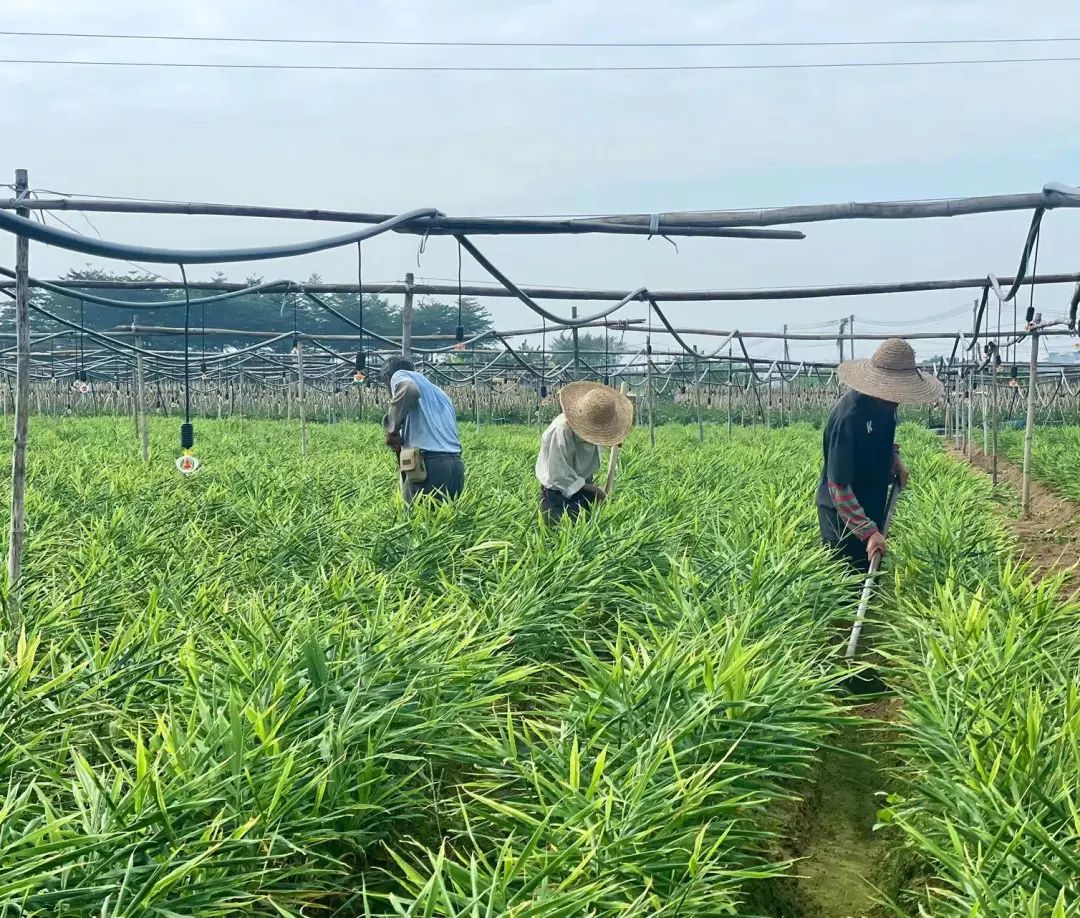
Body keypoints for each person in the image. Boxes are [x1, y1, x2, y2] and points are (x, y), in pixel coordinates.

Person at [816, 338, 943, 573]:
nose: (898, 398)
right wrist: (867, 531)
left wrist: (895, 460)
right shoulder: (849, 418)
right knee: (846, 588)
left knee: (870, 574)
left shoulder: (887, 407)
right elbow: (839, 486)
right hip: (842, 517)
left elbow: (882, 441)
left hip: (872, 501)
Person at [536, 381, 634, 524]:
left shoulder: (598, 423)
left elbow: (592, 442)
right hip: (558, 494)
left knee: (587, 532)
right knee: (560, 538)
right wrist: (595, 491)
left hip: (584, 485)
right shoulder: (561, 431)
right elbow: (558, 477)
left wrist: (611, 438)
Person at [382, 357, 464, 506]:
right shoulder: (438, 391)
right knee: (446, 525)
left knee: (417, 524)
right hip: (455, 465)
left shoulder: (399, 375)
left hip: (429, 465)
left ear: (387, 377)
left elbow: (408, 389)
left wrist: (392, 428)